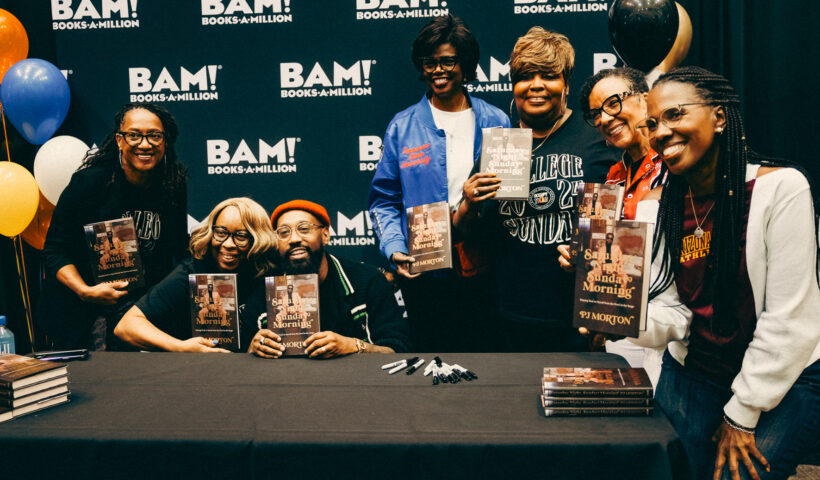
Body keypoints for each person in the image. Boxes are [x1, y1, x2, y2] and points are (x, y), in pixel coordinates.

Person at [629, 67, 820, 480]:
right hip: (696, 372)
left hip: (783, 375)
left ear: (718, 117)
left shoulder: (782, 189)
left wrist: (742, 415)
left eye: (675, 114)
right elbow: (672, 314)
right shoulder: (657, 206)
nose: (660, 132)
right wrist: (620, 312)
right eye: (652, 123)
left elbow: (791, 319)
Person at [454, 27, 619, 352]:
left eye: (548, 75)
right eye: (526, 76)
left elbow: (625, 227)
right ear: (514, 87)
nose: (536, 85)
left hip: (580, 321)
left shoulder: (597, 140)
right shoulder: (500, 146)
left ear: (566, 84)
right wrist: (468, 204)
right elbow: (468, 231)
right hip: (510, 317)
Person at [368, 15, 509, 353]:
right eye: (429, 63)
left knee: (487, 366)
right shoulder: (402, 127)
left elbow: (508, 195)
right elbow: (383, 201)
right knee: (432, 372)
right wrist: (394, 248)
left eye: (448, 61)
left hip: (485, 269)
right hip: (427, 274)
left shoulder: (496, 120)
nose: (438, 71)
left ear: (465, 64)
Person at [38, 102, 188, 350]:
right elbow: (55, 250)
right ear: (119, 140)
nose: (145, 143)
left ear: (165, 142)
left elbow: (176, 250)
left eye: (154, 135)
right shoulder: (91, 183)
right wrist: (85, 290)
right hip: (82, 309)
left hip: (139, 310)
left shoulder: (173, 184)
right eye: (134, 135)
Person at [251, 200, 411, 358]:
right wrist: (253, 348)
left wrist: (354, 346)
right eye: (284, 232)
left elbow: (398, 350)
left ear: (325, 235)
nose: (293, 239)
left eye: (304, 229)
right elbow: (242, 356)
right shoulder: (266, 289)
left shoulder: (367, 280)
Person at [114, 197, 277, 352]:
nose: (228, 244)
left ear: (257, 239)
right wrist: (180, 347)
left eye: (241, 236)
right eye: (221, 233)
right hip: (196, 370)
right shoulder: (193, 271)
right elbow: (127, 326)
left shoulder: (269, 273)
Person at [580, 67, 665, 219]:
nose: (604, 119)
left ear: (645, 101)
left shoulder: (671, 164)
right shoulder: (613, 176)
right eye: (596, 114)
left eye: (613, 103)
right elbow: (599, 238)